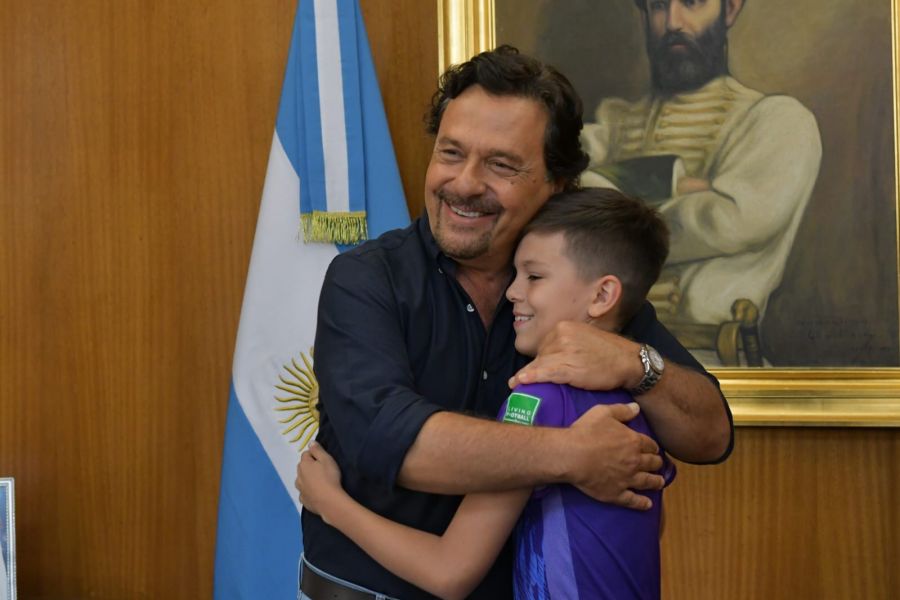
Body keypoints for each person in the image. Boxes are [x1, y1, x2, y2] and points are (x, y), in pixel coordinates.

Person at [298, 45, 732, 600]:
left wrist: (634, 362)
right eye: (451, 153)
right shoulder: (364, 279)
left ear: (558, 184)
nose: (465, 183)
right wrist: (577, 457)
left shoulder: (577, 296)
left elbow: (710, 435)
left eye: (501, 165)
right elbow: (394, 444)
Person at [298, 189, 675, 600]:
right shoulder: (634, 400)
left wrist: (332, 504)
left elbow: (449, 572)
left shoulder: (536, 400)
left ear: (602, 296)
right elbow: (649, 526)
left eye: (534, 276)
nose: (512, 292)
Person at [581, 0, 822, 362]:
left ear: (730, 10)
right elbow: (566, 193)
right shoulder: (611, 124)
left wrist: (609, 191)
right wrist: (683, 184)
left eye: (692, 3)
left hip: (711, 363)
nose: (673, 22)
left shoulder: (779, 122)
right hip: (598, 356)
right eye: (659, 6)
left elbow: (731, 221)